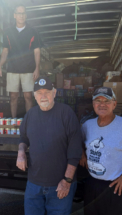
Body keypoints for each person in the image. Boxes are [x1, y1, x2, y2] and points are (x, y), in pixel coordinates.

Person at [16, 77, 82, 215]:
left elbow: (75, 151)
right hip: (34, 185)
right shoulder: (30, 114)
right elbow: (23, 138)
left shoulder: (66, 113)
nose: (43, 96)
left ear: (54, 93)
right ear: (34, 96)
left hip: (60, 185)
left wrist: (67, 181)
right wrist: (21, 152)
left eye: (47, 91)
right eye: (39, 93)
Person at [80, 87, 122, 215]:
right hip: (92, 185)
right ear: (93, 104)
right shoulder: (88, 125)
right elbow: (79, 142)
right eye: (98, 100)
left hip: (116, 187)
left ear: (114, 104)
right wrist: (82, 153)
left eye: (107, 101)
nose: (102, 104)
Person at [0, 4, 41, 118]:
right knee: (13, 97)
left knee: (28, 96)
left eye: (23, 13)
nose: (21, 16)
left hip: (28, 69)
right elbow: (5, 51)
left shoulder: (32, 31)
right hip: (12, 69)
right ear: (14, 15)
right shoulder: (8, 32)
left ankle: (29, 121)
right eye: (19, 13)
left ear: (26, 15)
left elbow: (37, 51)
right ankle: (13, 121)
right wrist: (0, 66)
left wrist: (37, 68)